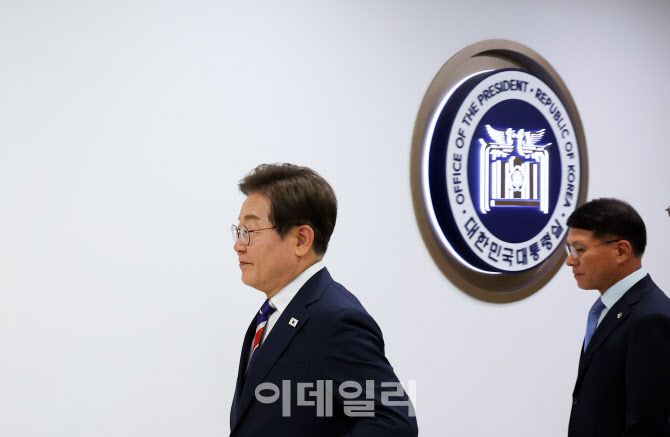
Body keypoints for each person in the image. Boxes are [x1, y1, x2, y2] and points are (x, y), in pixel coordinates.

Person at [229, 163, 418, 437]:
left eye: (251, 231)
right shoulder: (270, 314)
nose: (238, 245)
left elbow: (394, 422)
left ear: (301, 239)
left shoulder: (335, 319)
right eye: (238, 231)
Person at [565, 198, 670, 436]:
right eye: (570, 249)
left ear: (621, 251)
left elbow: (647, 427)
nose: (570, 260)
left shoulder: (651, 318)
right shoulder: (609, 310)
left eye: (580, 249)